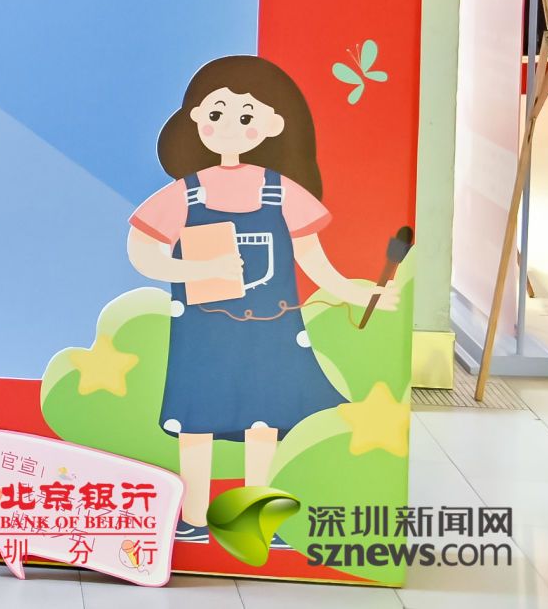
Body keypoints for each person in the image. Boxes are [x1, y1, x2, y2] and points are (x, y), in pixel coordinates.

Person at [126, 55, 398, 544]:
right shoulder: (186, 195)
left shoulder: (281, 193)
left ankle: (255, 517)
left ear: (274, 125)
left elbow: (314, 262)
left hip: (270, 331)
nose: (230, 125)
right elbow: (142, 251)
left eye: (246, 115)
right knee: (196, 422)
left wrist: (354, 290)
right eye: (217, 112)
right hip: (204, 333)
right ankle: (194, 516)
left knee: (264, 422)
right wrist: (199, 270)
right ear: (196, 117)